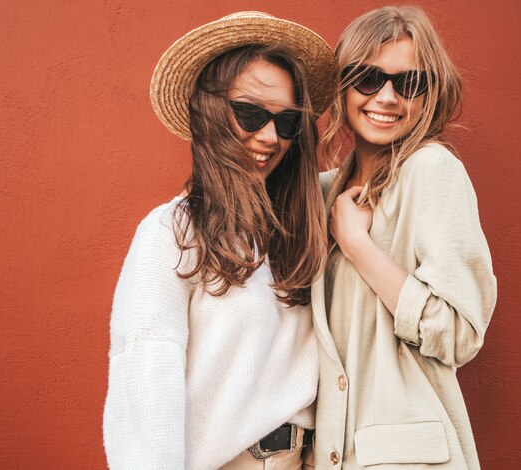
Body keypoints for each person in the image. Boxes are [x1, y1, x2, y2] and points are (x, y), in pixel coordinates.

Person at [103, 12, 337, 469]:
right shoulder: (172, 233)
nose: (270, 137)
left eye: (286, 123)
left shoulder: (298, 228)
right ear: (210, 112)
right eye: (251, 113)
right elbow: (146, 377)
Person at [311, 6, 497, 469]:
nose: (388, 97)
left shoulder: (432, 171)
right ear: (342, 85)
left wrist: (358, 246)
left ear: (430, 92)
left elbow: (459, 333)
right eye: (368, 78)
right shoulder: (322, 190)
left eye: (409, 83)